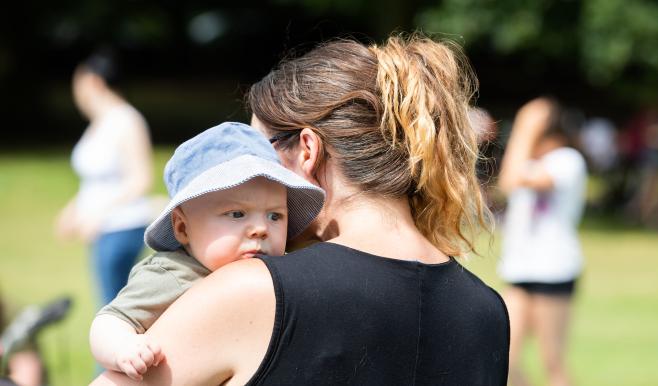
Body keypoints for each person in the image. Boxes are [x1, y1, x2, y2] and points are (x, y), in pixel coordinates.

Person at [92, 34, 510, 386]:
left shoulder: (254, 290)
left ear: (307, 150)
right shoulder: (487, 311)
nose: (251, 180)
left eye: (261, 158)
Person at [89, 122, 324, 380]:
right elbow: (109, 321)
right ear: (182, 228)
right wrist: (124, 347)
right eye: (237, 214)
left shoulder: (279, 273)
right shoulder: (173, 274)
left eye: (275, 216)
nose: (260, 228)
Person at [497, 97, 587, 386]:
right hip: (520, 269)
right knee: (505, 360)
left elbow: (511, 179)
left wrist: (524, 129)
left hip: (554, 269)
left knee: (552, 360)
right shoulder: (531, 161)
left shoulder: (567, 160)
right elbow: (507, 180)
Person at [55, 49, 154, 307]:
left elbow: (140, 179)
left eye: (77, 84)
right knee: (108, 302)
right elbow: (95, 180)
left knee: (114, 306)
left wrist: (100, 213)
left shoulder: (127, 121)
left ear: (93, 82)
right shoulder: (99, 123)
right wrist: (74, 208)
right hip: (101, 229)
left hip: (122, 226)